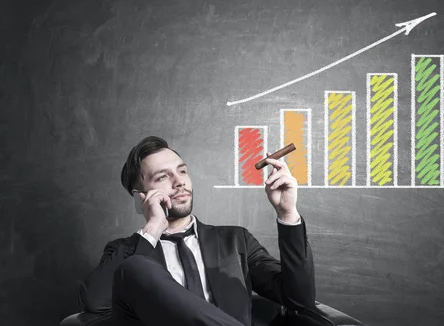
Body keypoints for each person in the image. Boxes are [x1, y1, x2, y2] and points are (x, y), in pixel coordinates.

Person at [78, 136, 316, 326]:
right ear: (140, 198)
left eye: (182, 171)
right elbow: (96, 302)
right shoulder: (125, 251)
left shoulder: (235, 241)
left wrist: (287, 213)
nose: (179, 181)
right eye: (163, 176)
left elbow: (299, 300)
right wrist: (151, 229)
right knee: (135, 267)